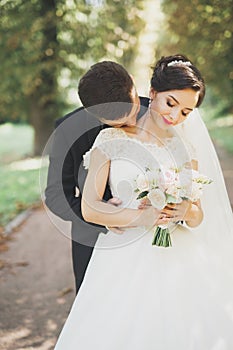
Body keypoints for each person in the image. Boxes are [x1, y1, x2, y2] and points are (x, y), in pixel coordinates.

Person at [54, 54, 233, 349]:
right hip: (125, 257)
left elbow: (198, 213)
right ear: (153, 94)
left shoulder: (186, 146)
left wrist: (187, 210)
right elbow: (89, 206)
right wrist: (140, 217)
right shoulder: (109, 138)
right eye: (171, 104)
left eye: (186, 112)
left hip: (181, 255)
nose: (175, 116)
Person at [45, 61, 150, 294]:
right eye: (121, 123)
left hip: (152, 241)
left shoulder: (158, 111)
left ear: (132, 82)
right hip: (93, 241)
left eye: (132, 111)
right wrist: (100, 214)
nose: (132, 123)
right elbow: (55, 195)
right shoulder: (67, 130)